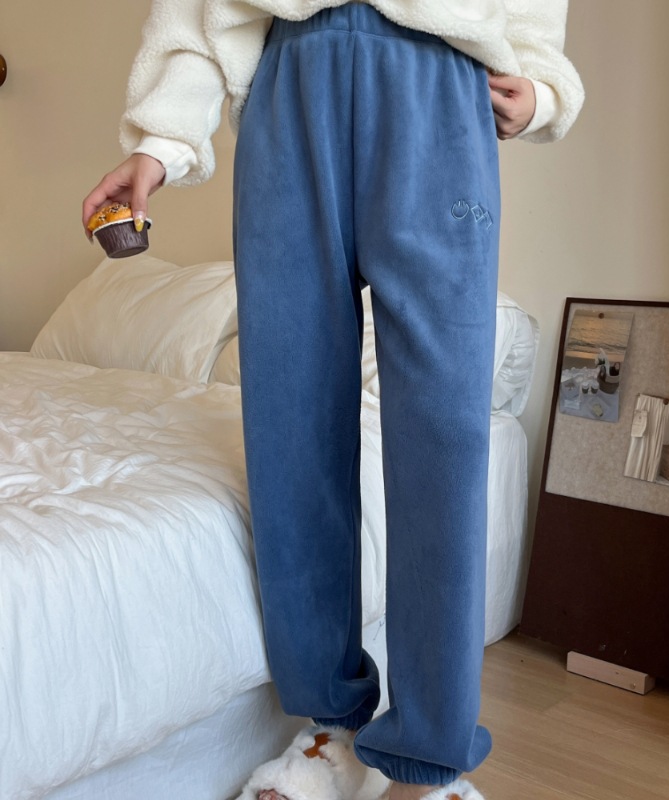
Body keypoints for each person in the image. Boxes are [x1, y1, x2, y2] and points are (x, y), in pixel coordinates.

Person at [82, 2, 583, 798]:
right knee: (292, 426)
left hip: (439, 90)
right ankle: (330, 727)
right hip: (289, 90)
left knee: (442, 442)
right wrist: (160, 143)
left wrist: (543, 85)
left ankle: (429, 760)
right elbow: (200, 13)